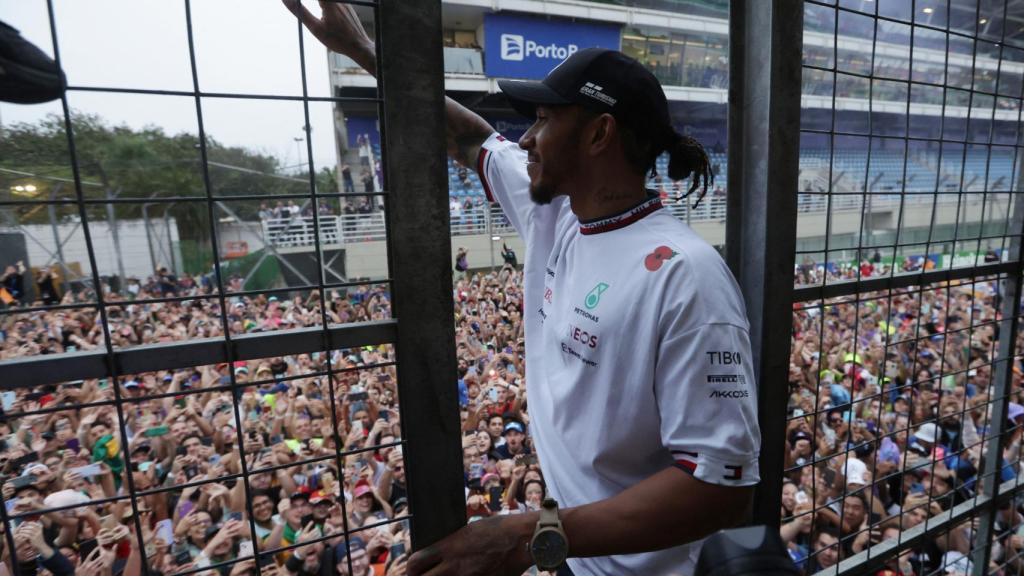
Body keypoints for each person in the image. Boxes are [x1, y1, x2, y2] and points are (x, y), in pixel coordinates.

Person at [284, 3, 760, 575]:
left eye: (542, 119)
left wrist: (527, 537)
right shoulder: (556, 215)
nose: (527, 139)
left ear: (599, 134)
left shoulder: (687, 276)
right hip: (573, 556)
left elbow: (723, 487)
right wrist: (365, 53)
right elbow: (468, 136)